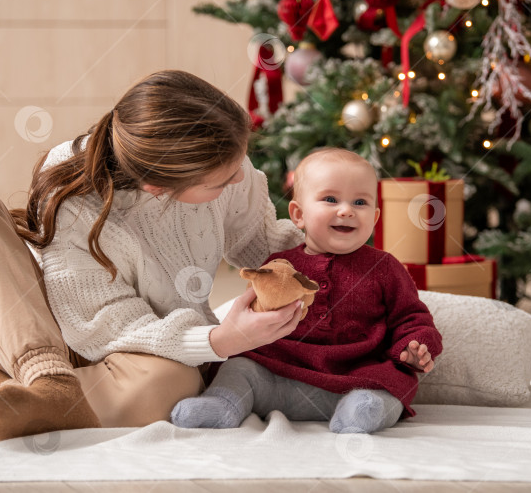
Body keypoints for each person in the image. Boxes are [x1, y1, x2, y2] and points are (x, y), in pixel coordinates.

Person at [0, 70, 306, 441]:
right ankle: (45, 380)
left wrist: (329, 249)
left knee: (173, 380)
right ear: (157, 188)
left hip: (141, 352)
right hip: (70, 333)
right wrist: (220, 340)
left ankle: (2, 391)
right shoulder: (75, 192)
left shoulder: (228, 163)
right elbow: (106, 328)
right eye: (221, 182)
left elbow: (262, 243)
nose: (239, 179)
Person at [171, 148, 443, 434]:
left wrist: (414, 346)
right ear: (298, 214)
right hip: (278, 377)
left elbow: (412, 317)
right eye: (330, 199)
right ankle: (224, 403)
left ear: (374, 218)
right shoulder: (280, 265)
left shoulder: (385, 268)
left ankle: (361, 413)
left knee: (395, 383)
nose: (346, 210)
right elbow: (255, 312)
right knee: (239, 368)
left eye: (360, 202)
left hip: (356, 378)